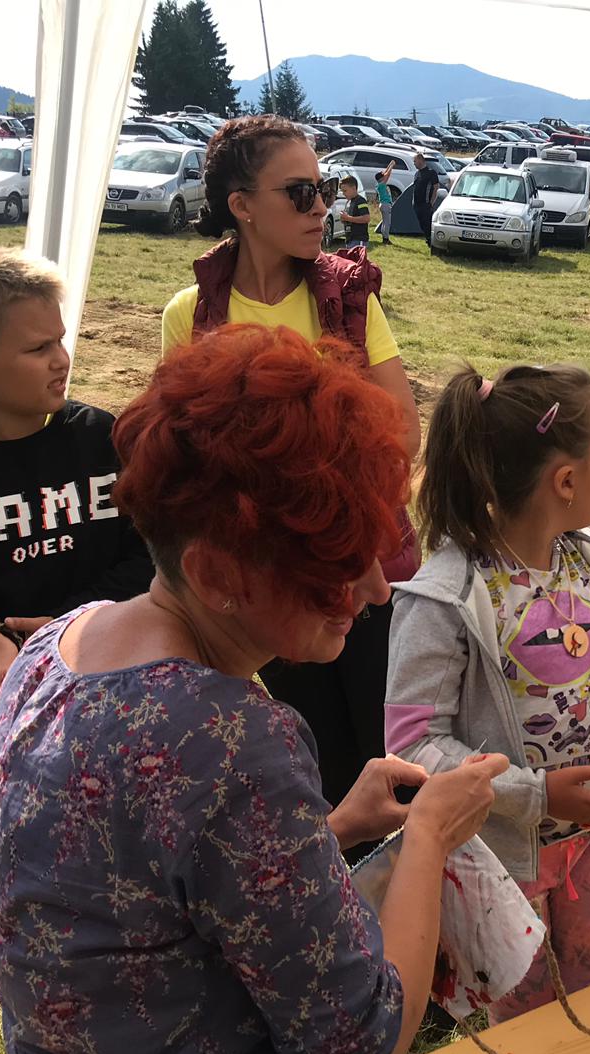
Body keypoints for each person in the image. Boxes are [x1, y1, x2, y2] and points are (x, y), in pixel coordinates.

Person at [0, 322, 590, 1054]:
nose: (377, 591)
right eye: (339, 566)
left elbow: (155, 895)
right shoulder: (229, 739)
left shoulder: (55, 648)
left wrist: (329, 830)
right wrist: (428, 840)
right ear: (220, 573)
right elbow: (365, 1053)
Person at [386, 364, 590, 1021]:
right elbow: (413, 745)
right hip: (506, 860)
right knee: (525, 1023)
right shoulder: (446, 595)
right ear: (566, 480)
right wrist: (536, 795)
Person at [160, 115, 422, 821]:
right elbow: (189, 455)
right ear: (241, 205)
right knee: (314, 748)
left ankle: (411, 882)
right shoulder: (193, 314)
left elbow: (402, 433)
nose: (322, 207)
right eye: (301, 193)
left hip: (361, 562)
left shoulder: (348, 298)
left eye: (325, 189)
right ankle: (337, 874)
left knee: (392, 744)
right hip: (267, 576)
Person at [0, 247, 153, 730]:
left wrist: (60, 627)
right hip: (12, 694)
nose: (62, 359)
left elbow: (149, 557)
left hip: (119, 677)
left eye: (60, 340)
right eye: (38, 349)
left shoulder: (104, 439)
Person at [411, 150, 441, 242]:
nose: (414, 163)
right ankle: (428, 238)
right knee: (421, 223)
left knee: (427, 223)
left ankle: (431, 240)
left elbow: (436, 187)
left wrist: (431, 203)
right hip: (416, 204)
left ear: (420, 160)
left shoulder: (431, 173)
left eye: (415, 161)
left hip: (426, 203)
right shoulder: (417, 173)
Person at [338, 174, 370, 246]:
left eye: (345, 191)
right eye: (342, 191)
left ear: (354, 188)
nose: (343, 193)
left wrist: (348, 218)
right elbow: (350, 218)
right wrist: (344, 219)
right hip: (350, 239)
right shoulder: (349, 202)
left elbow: (366, 218)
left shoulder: (361, 201)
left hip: (359, 240)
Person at [375, 161, 395, 244]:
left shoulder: (379, 184)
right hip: (386, 205)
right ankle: (386, 239)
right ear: (381, 178)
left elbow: (386, 173)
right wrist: (392, 166)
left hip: (383, 205)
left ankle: (384, 237)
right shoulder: (382, 184)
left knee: (384, 222)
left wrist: (389, 164)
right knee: (387, 223)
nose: (384, 175)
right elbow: (388, 174)